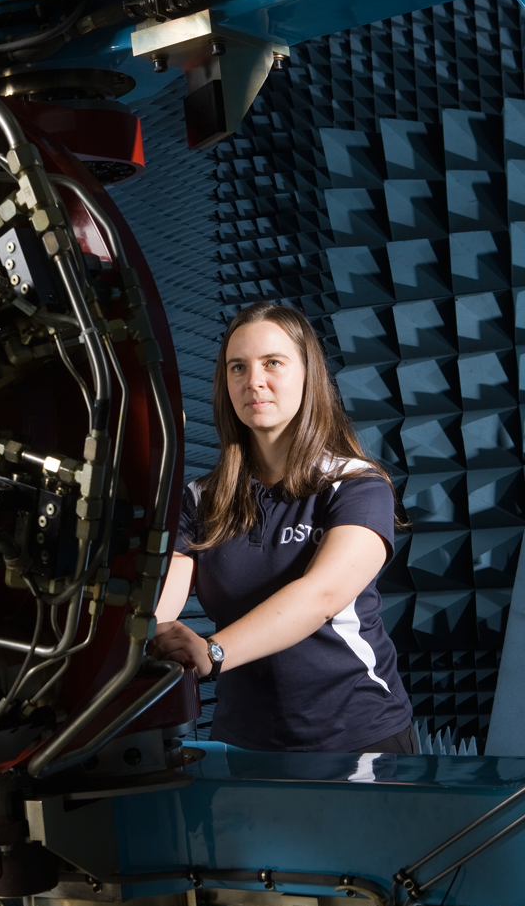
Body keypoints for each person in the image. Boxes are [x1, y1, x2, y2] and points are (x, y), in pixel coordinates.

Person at [151, 300, 414, 754]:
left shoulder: (356, 486)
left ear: (308, 374)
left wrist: (212, 653)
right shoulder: (200, 500)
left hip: (359, 739)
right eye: (238, 367)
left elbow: (321, 596)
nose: (254, 381)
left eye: (273, 363)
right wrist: (150, 631)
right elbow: (162, 603)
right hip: (245, 743)